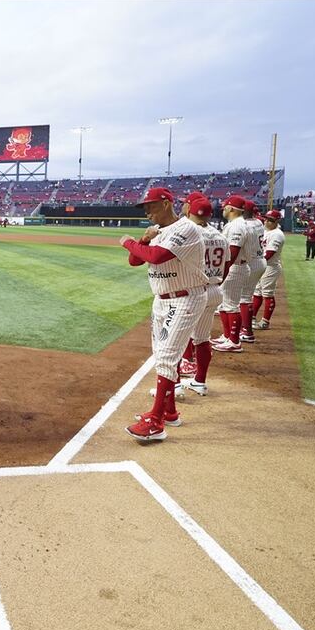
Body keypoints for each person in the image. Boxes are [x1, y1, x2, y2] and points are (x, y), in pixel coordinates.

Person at [119, 187, 207, 443]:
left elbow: (157, 257)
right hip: (163, 299)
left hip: (185, 298)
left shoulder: (186, 229)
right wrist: (143, 241)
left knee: (167, 357)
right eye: (144, 207)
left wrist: (128, 242)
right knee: (162, 355)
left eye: (151, 205)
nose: (147, 211)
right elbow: (135, 261)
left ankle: (156, 421)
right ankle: (169, 411)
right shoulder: (158, 232)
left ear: (167, 203)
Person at [178, 196, 226, 396]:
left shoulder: (188, 232)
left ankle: (173, 386)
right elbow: (227, 264)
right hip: (215, 289)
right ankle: (199, 381)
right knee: (202, 338)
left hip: (194, 291)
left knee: (176, 339)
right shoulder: (220, 235)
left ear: (189, 209)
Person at [213, 196, 251, 353]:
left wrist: (224, 271)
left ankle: (234, 341)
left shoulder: (237, 226)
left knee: (231, 305)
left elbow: (233, 252)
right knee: (224, 304)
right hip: (234, 266)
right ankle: (228, 336)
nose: (224, 209)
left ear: (233, 209)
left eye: (226, 207)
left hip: (235, 267)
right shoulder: (236, 224)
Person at [238, 201, 266, 344]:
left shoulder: (245, 225)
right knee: (246, 296)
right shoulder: (259, 223)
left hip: (253, 261)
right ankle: (245, 329)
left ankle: (247, 332)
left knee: (244, 297)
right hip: (259, 259)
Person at [254, 210, 286, 329]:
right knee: (257, 292)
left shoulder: (277, 234)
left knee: (267, 293)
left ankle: (265, 321)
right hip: (262, 265)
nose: (266, 221)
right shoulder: (266, 231)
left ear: (276, 221)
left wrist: (257, 263)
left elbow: (270, 253)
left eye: (269, 220)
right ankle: (252, 318)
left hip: (270, 267)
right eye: (266, 219)